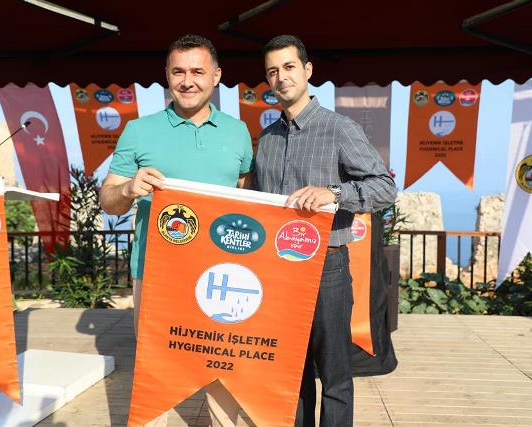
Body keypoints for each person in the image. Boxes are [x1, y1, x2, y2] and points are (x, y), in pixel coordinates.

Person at [100, 34, 252, 427]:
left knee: (222, 370)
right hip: (156, 274)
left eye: (198, 71)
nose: (188, 81)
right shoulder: (138, 130)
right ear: (166, 76)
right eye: (178, 72)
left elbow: (247, 198)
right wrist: (128, 189)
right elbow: (108, 199)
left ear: (216, 76)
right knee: (156, 374)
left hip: (222, 276)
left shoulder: (238, 132)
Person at [254, 35, 397, 427]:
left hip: (327, 268)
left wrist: (333, 193)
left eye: (289, 67)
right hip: (278, 271)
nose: (281, 77)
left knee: (334, 375)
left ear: (307, 70)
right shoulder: (266, 140)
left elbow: (385, 188)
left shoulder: (339, 129)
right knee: (291, 373)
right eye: (272, 71)